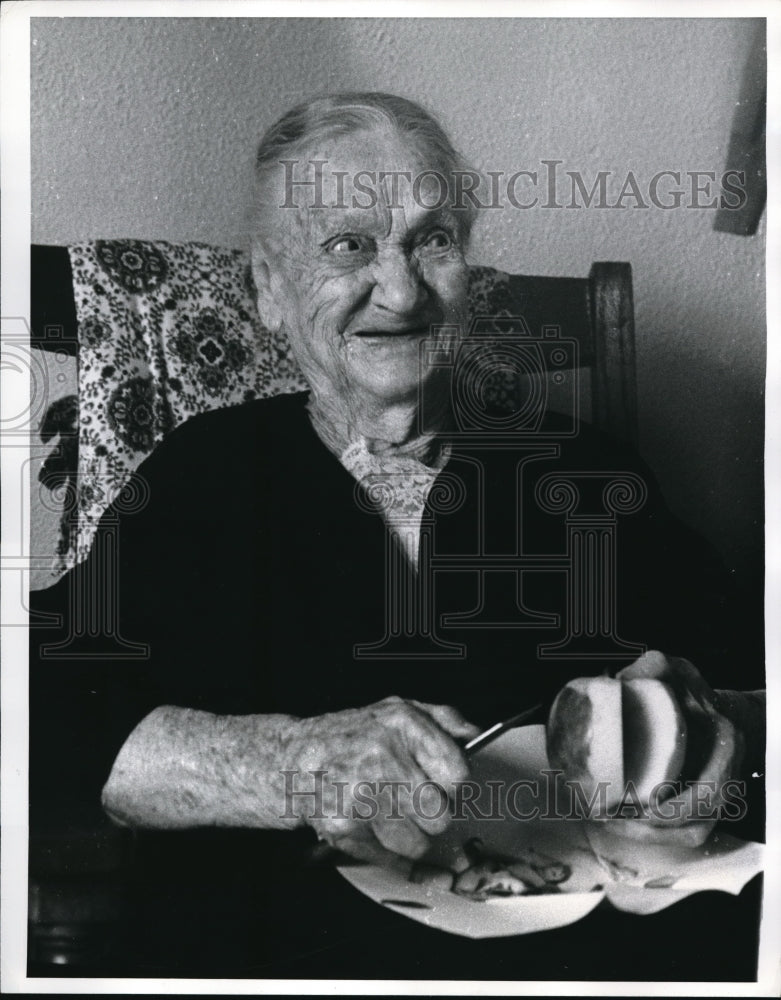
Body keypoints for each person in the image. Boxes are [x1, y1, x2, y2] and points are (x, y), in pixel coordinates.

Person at [30, 92, 765, 979]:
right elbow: (44, 707)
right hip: (281, 953)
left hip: (576, 957)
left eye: (432, 239)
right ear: (268, 290)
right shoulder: (204, 476)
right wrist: (290, 762)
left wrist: (714, 744)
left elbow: (739, 679)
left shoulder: (583, 469)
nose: (402, 289)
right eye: (348, 246)